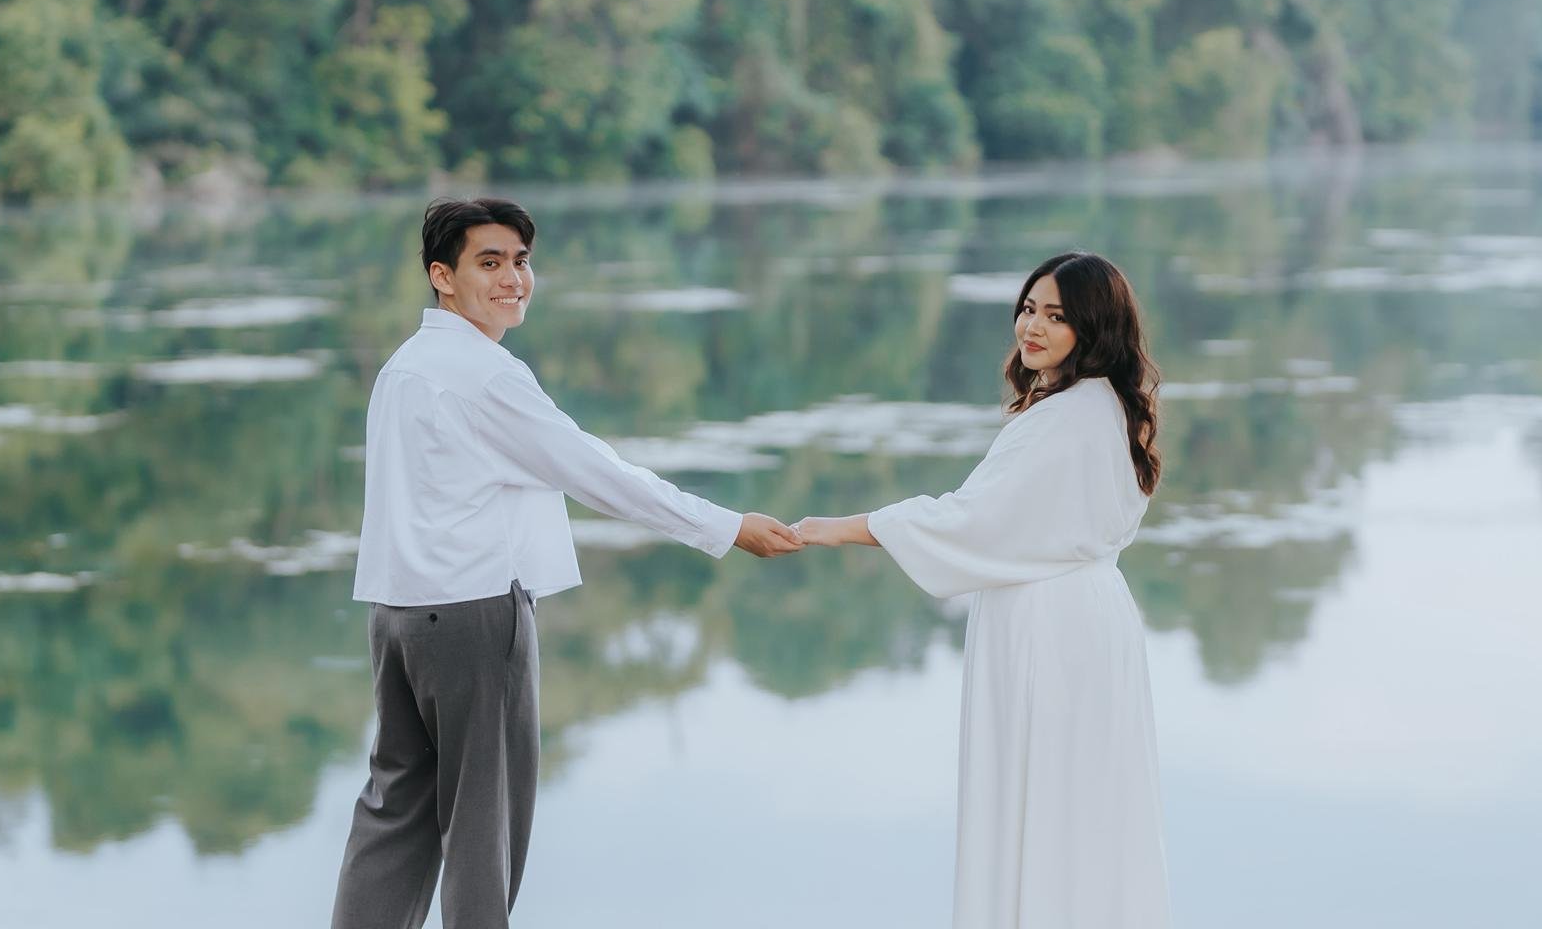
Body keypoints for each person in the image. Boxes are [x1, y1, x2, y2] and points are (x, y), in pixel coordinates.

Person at [331, 197, 801, 929]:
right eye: (490, 262)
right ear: (442, 276)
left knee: (394, 813)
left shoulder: (405, 365)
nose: (513, 279)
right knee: (483, 826)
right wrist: (725, 526)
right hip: (474, 617)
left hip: (397, 617)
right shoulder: (484, 375)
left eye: (521, 262)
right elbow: (596, 472)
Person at [794, 251, 1171, 928]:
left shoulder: (1065, 418)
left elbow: (972, 521)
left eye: (1056, 316)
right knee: (1083, 804)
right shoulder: (1112, 408)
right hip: (1092, 617)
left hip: (1048, 624)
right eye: (1028, 309)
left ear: (1093, 328)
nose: (1033, 327)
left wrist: (842, 528)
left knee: (1043, 797)